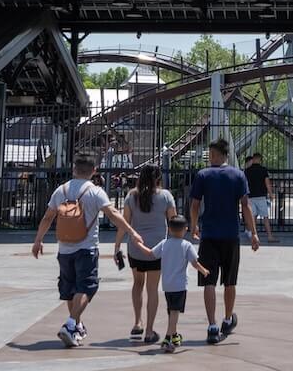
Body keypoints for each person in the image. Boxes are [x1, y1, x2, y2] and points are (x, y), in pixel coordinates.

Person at [32, 151, 142, 348]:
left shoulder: (61, 190)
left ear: (74, 169)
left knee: (72, 288)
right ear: (94, 171)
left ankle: (77, 326)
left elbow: (48, 217)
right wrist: (132, 232)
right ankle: (71, 323)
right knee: (86, 287)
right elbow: (113, 213)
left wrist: (38, 240)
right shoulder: (95, 192)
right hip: (87, 248)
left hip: (64, 249)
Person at [189, 138, 260, 345]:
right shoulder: (238, 175)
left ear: (216, 154)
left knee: (208, 281)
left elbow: (195, 204)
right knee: (230, 280)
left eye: (211, 154)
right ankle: (227, 319)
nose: (209, 158)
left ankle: (211, 326)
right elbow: (245, 205)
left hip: (209, 235)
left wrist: (194, 225)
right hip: (231, 235)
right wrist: (253, 233)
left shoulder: (203, 175)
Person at [114, 164, 176, 344]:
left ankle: (137, 322)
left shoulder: (131, 196)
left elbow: (124, 223)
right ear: (158, 178)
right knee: (152, 288)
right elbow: (174, 222)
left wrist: (117, 245)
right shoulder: (165, 196)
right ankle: (149, 330)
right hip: (157, 249)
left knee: (137, 284)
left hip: (136, 248)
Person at [132, 216, 210, 354]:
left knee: (171, 310)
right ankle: (168, 337)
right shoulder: (186, 245)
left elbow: (150, 253)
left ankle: (174, 336)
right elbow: (194, 262)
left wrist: (138, 244)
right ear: (185, 229)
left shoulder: (164, 243)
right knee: (175, 311)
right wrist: (204, 271)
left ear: (169, 229)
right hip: (180, 285)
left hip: (167, 285)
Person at [244, 152, 277, 244]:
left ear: (253, 159)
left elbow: (244, 184)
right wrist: (271, 194)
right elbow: (267, 183)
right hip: (261, 196)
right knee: (265, 217)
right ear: (260, 159)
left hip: (250, 197)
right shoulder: (263, 170)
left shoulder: (247, 171)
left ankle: (254, 236)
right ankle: (270, 236)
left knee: (253, 217)